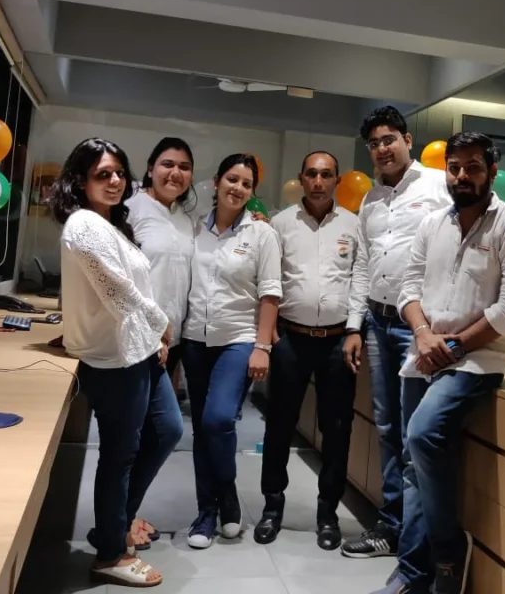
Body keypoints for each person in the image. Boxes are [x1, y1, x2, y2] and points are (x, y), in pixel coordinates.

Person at [341, 107, 505, 560]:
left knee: (417, 436)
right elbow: (364, 266)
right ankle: (393, 525)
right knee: (389, 428)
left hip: (428, 332)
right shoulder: (371, 200)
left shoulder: (439, 184)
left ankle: (423, 546)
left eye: (389, 139)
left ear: (407, 140)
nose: (382, 149)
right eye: (374, 144)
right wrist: (356, 324)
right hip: (384, 321)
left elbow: (490, 213)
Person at [387, 132, 505, 594]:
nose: (461, 176)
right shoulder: (432, 224)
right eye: (454, 167)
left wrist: (453, 348)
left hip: (477, 361)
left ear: (492, 172)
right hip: (424, 354)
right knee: (411, 462)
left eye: (473, 167)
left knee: (421, 434)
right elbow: (408, 288)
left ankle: (449, 555)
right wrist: (423, 334)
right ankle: (412, 575)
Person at [53, 137, 182, 588]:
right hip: (114, 360)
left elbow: (133, 289)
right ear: (80, 180)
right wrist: (161, 324)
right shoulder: (84, 224)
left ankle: (115, 523)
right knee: (119, 456)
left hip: (139, 351)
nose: (114, 181)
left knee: (168, 430)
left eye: (119, 173)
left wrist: (153, 336)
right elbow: (119, 294)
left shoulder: (111, 223)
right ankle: (110, 552)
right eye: (102, 174)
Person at [255, 151, 358, 550]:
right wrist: (269, 335)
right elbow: (266, 280)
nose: (318, 182)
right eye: (312, 174)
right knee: (279, 425)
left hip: (337, 342)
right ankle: (272, 507)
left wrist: (355, 329)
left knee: (337, 429)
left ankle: (328, 513)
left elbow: (361, 278)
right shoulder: (280, 224)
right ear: (301, 178)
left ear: (337, 180)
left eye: (326, 175)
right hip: (290, 340)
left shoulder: (353, 225)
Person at [182, 153, 283, 549]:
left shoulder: (262, 235)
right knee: (201, 429)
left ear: (252, 191)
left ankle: (226, 495)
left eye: (246, 183)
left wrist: (262, 347)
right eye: (232, 179)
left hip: (239, 338)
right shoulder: (193, 229)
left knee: (218, 420)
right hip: (195, 339)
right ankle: (207, 512)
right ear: (216, 182)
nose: (238, 188)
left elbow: (270, 294)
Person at [126, 137, 198, 401]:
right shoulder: (129, 209)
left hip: (173, 339)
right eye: (167, 164)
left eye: (184, 167)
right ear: (150, 169)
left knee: (158, 420)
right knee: (137, 416)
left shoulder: (186, 219)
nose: (176, 173)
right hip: (136, 337)